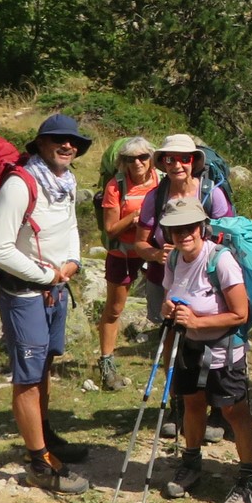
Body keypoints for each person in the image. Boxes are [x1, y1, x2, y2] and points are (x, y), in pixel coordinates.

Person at [0, 113, 93, 495]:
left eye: (74, 142)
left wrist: (74, 262)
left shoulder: (64, 181)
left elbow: (71, 227)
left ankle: (46, 441)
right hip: (25, 295)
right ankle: (38, 463)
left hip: (55, 289)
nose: (68, 146)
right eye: (59, 140)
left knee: (45, 365)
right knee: (28, 378)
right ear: (41, 145)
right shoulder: (20, 185)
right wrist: (48, 276)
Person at [156, 197, 252, 503]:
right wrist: (168, 310)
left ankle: (247, 479)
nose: (183, 233)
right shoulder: (174, 260)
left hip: (224, 348)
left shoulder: (221, 260)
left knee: (233, 410)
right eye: (175, 229)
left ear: (202, 227)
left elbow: (240, 313)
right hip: (190, 347)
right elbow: (169, 299)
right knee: (193, 404)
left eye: (189, 227)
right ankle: (191, 462)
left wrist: (198, 322)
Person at [136, 135, 233, 441]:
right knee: (170, 340)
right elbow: (140, 242)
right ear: (162, 162)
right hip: (166, 278)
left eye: (184, 159)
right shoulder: (156, 196)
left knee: (214, 338)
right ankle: (180, 402)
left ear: (195, 160)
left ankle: (217, 407)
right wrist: (155, 254)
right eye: (169, 159)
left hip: (209, 278)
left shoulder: (211, 193)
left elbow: (230, 232)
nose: (177, 164)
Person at [90, 136, 158, 392]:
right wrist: (134, 218)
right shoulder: (115, 186)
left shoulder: (160, 181)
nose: (138, 163)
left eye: (143, 157)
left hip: (154, 250)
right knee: (115, 309)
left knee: (170, 303)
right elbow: (110, 229)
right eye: (131, 159)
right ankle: (107, 363)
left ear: (151, 158)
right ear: (124, 162)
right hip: (123, 254)